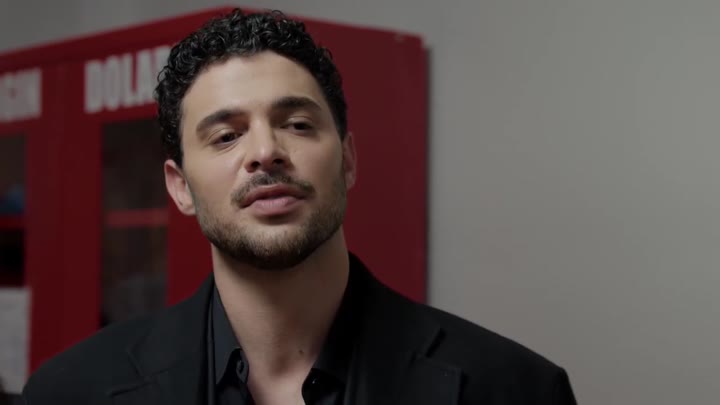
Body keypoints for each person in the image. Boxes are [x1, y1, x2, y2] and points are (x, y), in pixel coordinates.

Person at [22, 9, 576, 405]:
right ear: (180, 187)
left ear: (348, 160)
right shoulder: (68, 392)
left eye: (297, 124)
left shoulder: (515, 389)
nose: (265, 152)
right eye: (226, 136)